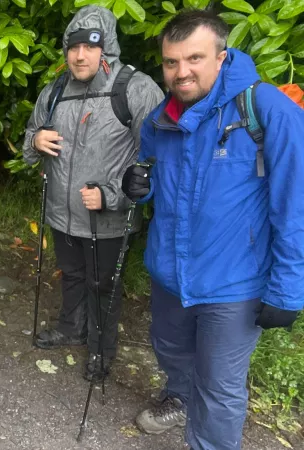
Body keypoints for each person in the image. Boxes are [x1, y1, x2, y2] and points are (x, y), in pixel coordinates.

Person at [121, 10, 304, 449]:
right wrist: (138, 187)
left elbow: (294, 204)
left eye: (195, 59)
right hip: (169, 274)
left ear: (221, 57)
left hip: (233, 284)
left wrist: (288, 290)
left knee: (219, 390)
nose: (181, 72)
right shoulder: (159, 120)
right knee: (172, 354)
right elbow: (152, 179)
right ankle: (179, 397)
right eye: (170, 62)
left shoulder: (265, 109)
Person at [22, 5, 163, 380]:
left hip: (107, 216)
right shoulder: (55, 90)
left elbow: (154, 162)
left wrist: (113, 196)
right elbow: (27, 141)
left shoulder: (134, 88)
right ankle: (72, 328)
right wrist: (35, 140)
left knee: (103, 285)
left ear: (108, 48)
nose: (80, 55)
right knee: (70, 274)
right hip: (62, 212)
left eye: (90, 46)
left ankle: (102, 350)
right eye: (73, 46)